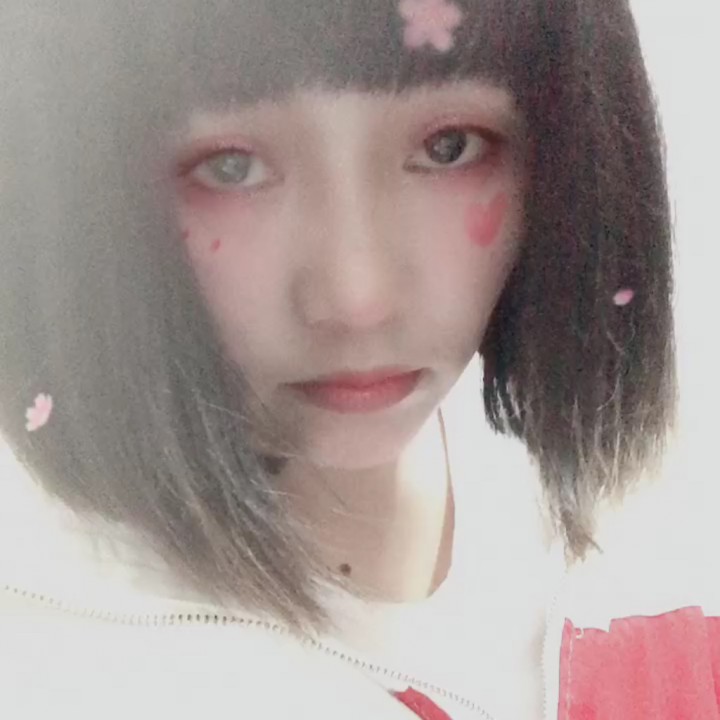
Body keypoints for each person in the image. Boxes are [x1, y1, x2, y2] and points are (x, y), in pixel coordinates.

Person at [0, 1, 715, 718]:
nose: (357, 298)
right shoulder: (49, 657)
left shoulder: (657, 550)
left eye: (449, 147)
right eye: (231, 166)